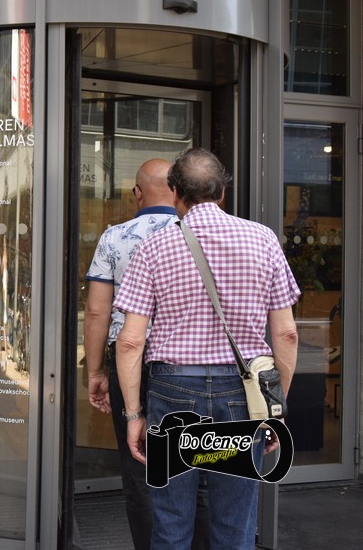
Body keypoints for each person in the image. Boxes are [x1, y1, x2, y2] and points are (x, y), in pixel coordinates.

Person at [114, 148, 300, 550]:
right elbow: (286, 334)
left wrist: (133, 415)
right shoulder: (263, 240)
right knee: (235, 526)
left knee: (171, 523)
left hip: (173, 392)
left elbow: (130, 340)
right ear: (222, 192)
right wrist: (274, 408)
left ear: (176, 192)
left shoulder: (154, 248)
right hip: (242, 395)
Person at [85, 158, 210, 550]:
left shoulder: (115, 238)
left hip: (131, 364)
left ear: (137, 193)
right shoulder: (201, 233)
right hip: (191, 364)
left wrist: (96, 371)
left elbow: (97, 312)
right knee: (197, 465)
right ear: (177, 189)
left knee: (139, 465)